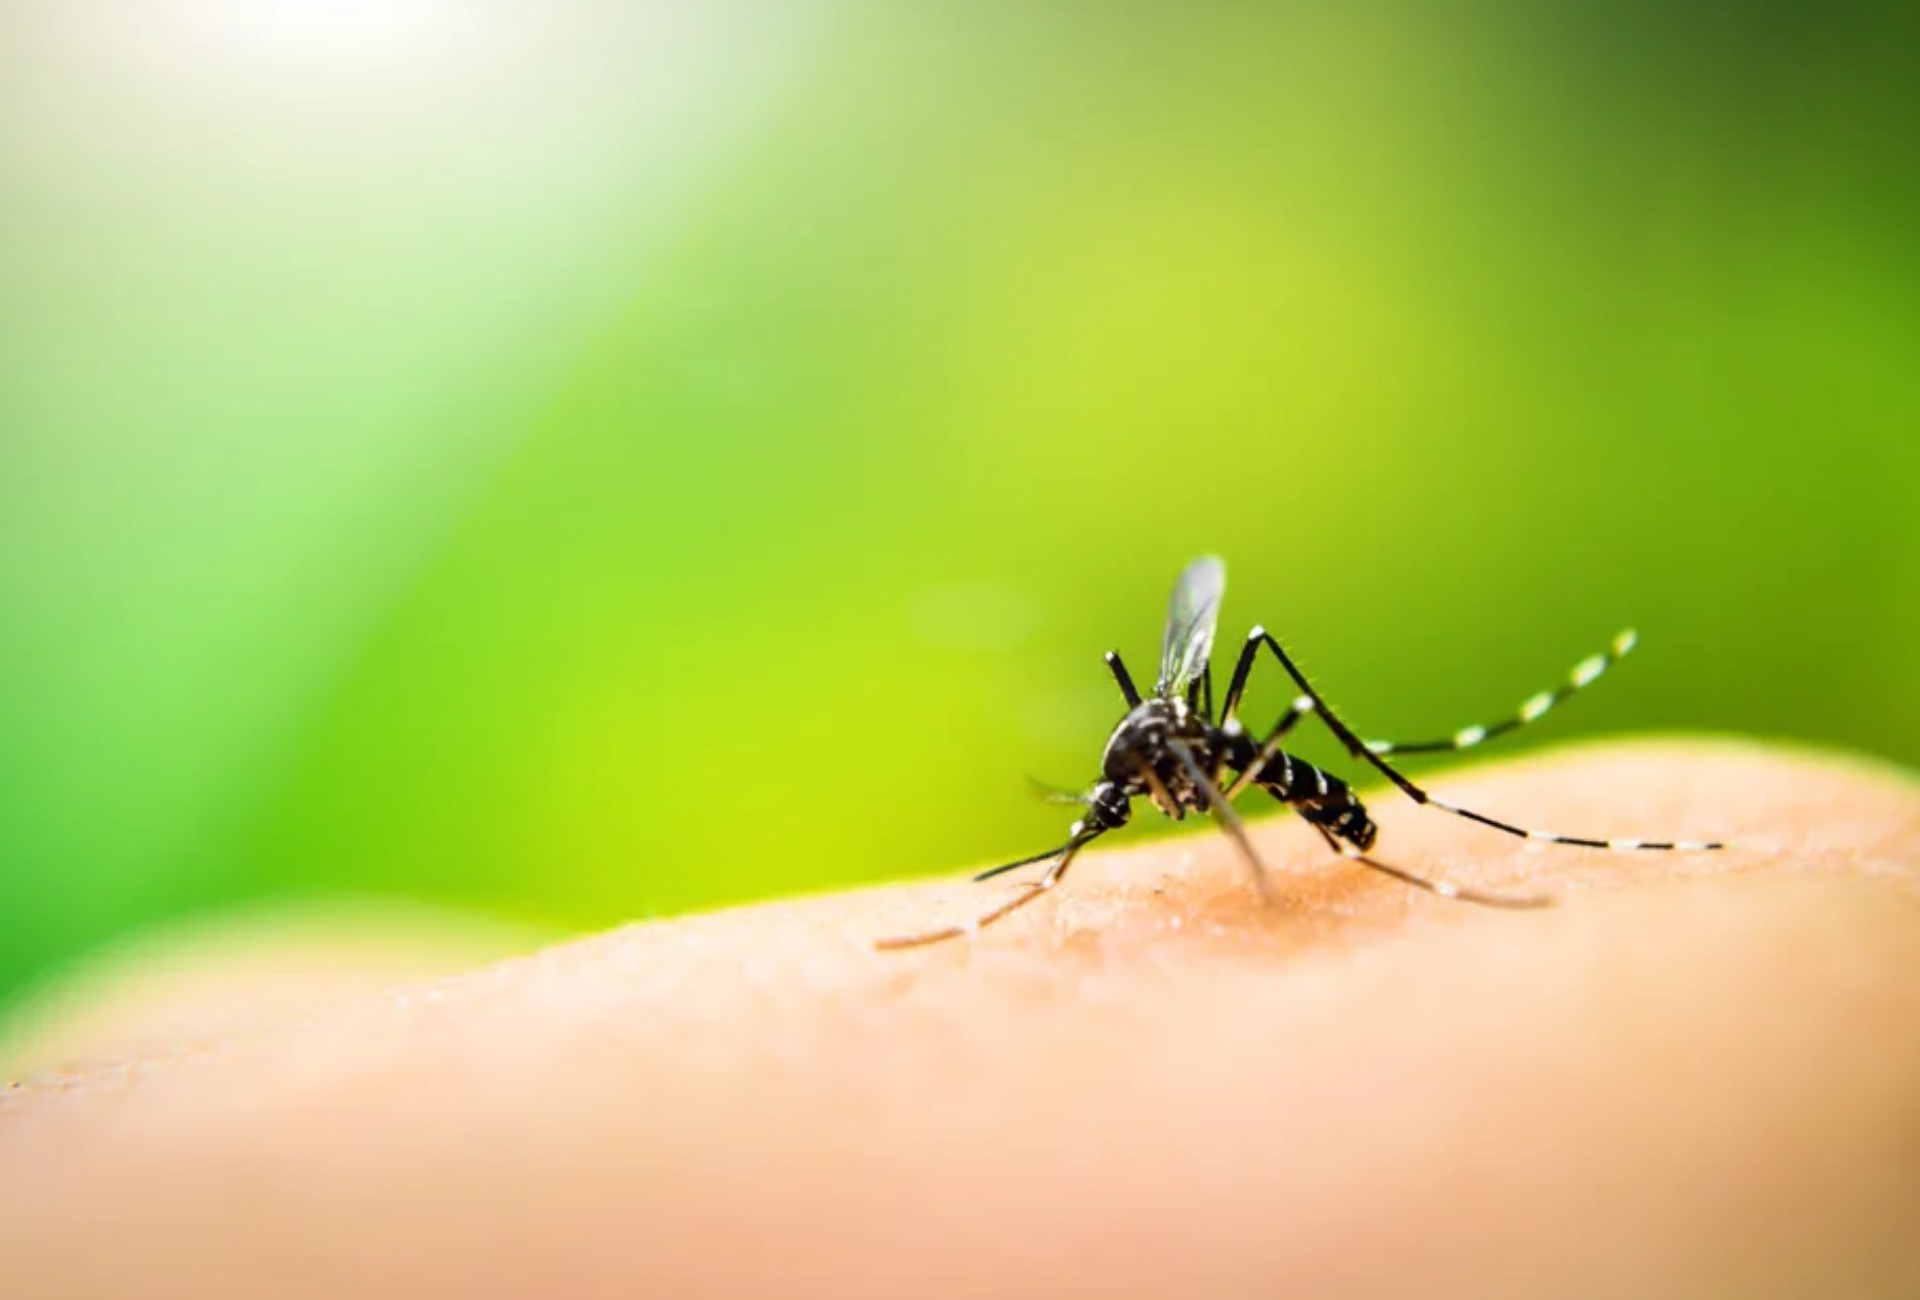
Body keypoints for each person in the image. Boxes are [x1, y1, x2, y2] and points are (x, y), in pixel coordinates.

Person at [2, 741, 1917, 1298]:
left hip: (1361, 813)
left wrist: (1323, 842)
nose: (1112, 816)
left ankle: (1418, 820)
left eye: (1106, 809)